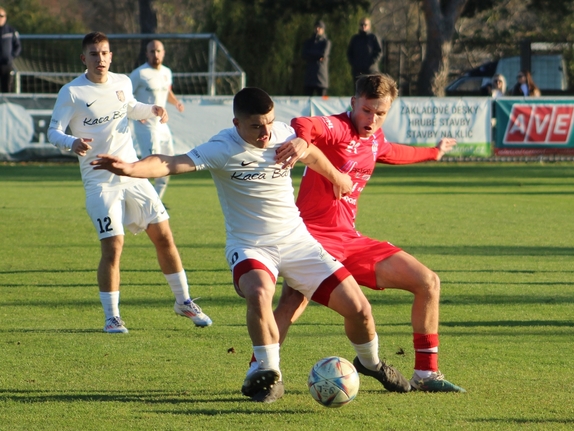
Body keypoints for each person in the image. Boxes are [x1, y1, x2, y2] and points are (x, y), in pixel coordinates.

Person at [91, 87, 412, 403]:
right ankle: (269, 372)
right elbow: (171, 162)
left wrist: (337, 177)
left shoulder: (282, 135)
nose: (265, 133)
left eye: (269, 123)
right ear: (237, 124)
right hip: (250, 246)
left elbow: (311, 153)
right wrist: (131, 169)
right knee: (260, 292)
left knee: (360, 310)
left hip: (298, 241)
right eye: (257, 126)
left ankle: (371, 364)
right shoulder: (223, 147)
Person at [271, 73, 466, 392]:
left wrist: (434, 152)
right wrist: (303, 143)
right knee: (292, 301)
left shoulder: (374, 138)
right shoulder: (338, 128)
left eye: (380, 113)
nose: (372, 119)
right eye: (366, 110)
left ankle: (427, 374)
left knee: (428, 282)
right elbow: (303, 121)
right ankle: (262, 372)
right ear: (353, 103)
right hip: (310, 238)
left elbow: (395, 152)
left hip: (350, 240)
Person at [47, 32, 212, 333]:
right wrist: (71, 142)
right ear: (84, 59)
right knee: (114, 246)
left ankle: (184, 301)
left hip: (132, 173)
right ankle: (112, 316)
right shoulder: (72, 92)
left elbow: (131, 107)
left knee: (164, 236)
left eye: (105, 53)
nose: (101, 59)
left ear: (111, 56)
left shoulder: (122, 82)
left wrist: (153, 110)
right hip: (99, 180)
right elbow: (53, 131)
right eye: (94, 54)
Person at [130, 40, 184, 200]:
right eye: (152, 51)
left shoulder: (167, 72)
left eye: (158, 51)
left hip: (162, 125)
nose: (155, 54)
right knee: (151, 164)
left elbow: (166, 92)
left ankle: (156, 201)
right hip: (145, 125)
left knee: (168, 161)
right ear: (147, 54)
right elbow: (126, 96)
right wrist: (137, 112)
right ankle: (135, 198)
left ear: (164, 52)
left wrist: (176, 103)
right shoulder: (139, 74)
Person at [347, 18, 382, 85]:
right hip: (358, 72)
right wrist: (354, 64)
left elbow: (379, 52)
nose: (363, 26)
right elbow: (349, 53)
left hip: (371, 72)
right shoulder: (355, 39)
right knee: (359, 92)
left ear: (369, 26)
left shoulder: (373, 37)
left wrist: (371, 62)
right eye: (361, 24)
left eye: (365, 25)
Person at [302, 20, 331, 97]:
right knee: (307, 100)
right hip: (309, 77)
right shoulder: (308, 42)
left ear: (323, 29)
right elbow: (304, 54)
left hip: (321, 78)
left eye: (320, 27)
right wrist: (317, 56)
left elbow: (323, 54)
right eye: (316, 27)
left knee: (322, 101)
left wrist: (311, 54)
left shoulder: (326, 42)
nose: (317, 29)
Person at [0, 6, 21, 93]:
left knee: (7, 88)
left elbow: (18, 47)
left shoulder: (11, 31)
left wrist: (11, 57)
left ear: (5, 17)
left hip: (6, 65)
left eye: (1, 16)